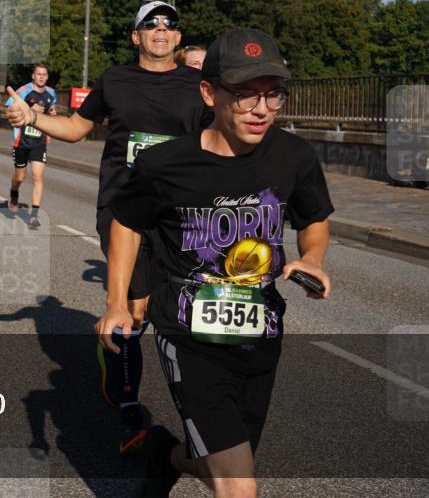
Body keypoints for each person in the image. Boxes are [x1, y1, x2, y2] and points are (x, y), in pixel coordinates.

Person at [96, 27, 333, 497]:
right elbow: (126, 221)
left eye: (273, 95)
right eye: (245, 95)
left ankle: (167, 456)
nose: (261, 109)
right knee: (239, 484)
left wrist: (313, 257)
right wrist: (117, 303)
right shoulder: (166, 163)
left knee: (222, 455)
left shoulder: (294, 156)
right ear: (209, 92)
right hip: (187, 331)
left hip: (259, 331)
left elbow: (314, 218)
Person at [6, 1, 208, 453]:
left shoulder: (200, 86)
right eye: (150, 24)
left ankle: (198, 406)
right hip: (122, 207)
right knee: (134, 310)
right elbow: (78, 127)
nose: (161, 30)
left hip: (181, 213)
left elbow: (217, 142)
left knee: (178, 308)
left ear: (178, 37)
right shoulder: (115, 79)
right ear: (136, 36)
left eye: (169, 24)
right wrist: (32, 118)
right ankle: (129, 406)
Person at [5, 63, 56, 229]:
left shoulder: (51, 93)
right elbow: (8, 109)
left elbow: (50, 111)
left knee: (38, 176)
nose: (41, 77)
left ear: (47, 77)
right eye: (38, 74)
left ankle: (34, 215)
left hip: (39, 142)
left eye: (44, 74)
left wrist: (51, 118)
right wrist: (26, 107)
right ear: (33, 76)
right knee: (20, 177)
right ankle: (14, 193)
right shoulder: (23, 91)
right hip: (22, 140)